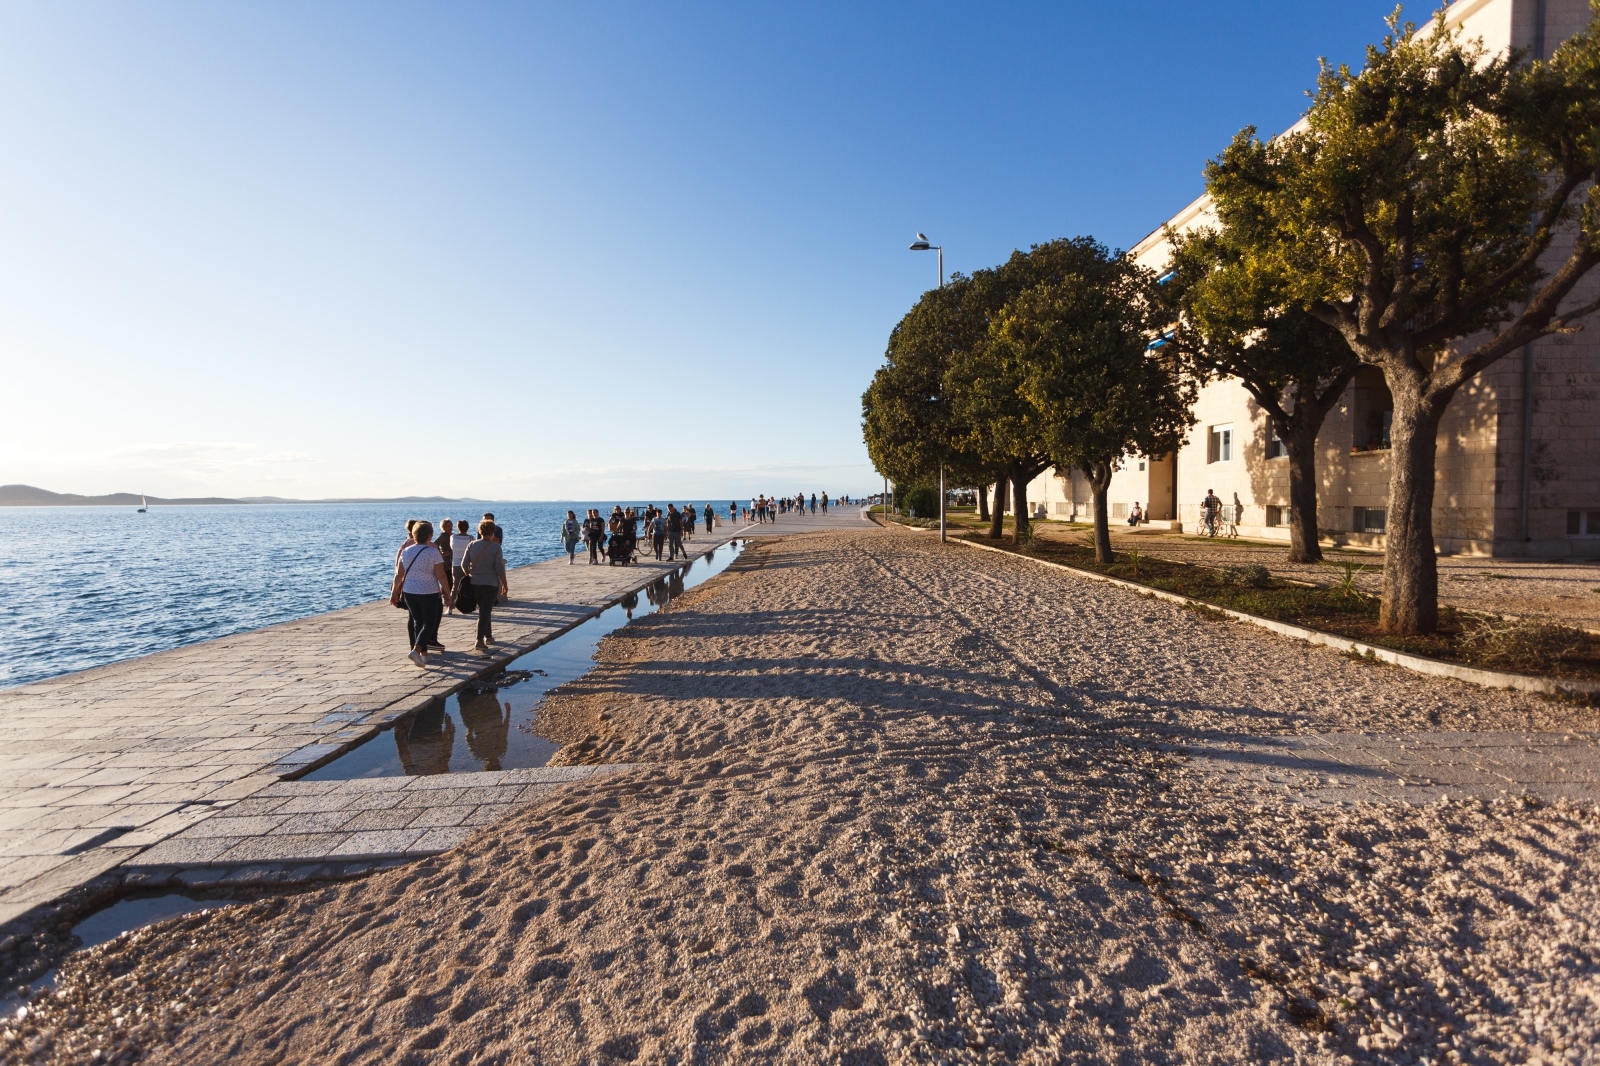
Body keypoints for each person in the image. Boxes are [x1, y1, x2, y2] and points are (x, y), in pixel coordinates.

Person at [392, 520, 449, 668]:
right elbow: (441, 575)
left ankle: (424, 654)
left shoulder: (406, 551)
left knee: (418, 621)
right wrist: (447, 593)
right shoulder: (433, 552)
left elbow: (399, 574)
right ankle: (416, 650)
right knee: (430, 622)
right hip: (428, 591)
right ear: (429, 536)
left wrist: (394, 593)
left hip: (409, 591)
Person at [462, 519, 508, 654]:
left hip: (475, 583)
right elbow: (499, 568)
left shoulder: (472, 545)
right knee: (485, 611)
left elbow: (464, 565)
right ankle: (479, 640)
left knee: (484, 609)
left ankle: (488, 636)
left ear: (480, 532)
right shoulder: (496, 547)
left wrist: (469, 574)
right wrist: (505, 584)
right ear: (493, 532)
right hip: (490, 583)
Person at [434, 518, 456, 612]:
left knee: (454, 582)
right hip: (446, 563)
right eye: (447, 526)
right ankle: (447, 602)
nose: (450, 527)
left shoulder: (453, 535)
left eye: (451, 525)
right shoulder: (443, 536)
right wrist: (441, 554)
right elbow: (435, 544)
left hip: (454, 562)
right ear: (443, 527)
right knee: (448, 582)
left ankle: (451, 601)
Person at [450, 520, 474, 590]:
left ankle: (453, 600)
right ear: (468, 527)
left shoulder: (453, 537)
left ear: (458, 527)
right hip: (467, 564)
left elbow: (452, 547)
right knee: (468, 585)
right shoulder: (471, 538)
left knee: (455, 585)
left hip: (456, 564)